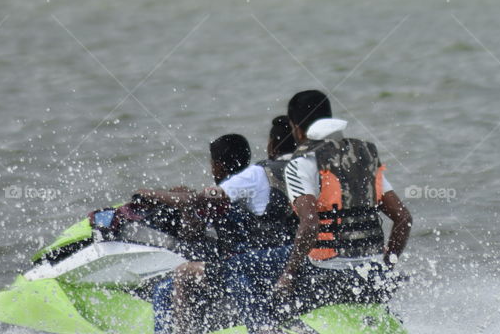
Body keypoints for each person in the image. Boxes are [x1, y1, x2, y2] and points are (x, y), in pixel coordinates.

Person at [273, 90, 412, 317]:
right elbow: (404, 219)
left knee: (268, 282)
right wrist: (387, 266)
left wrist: (288, 275)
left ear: (296, 127)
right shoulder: (364, 158)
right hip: (372, 274)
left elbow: (309, 224)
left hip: (326, 275)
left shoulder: (301, 164)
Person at [140, 133, 295, 334]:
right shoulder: (257, 183)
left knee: (164, 290)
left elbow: (191, 232)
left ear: (218, 165)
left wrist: (151, 194)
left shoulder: (223, 192)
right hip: (266, 263)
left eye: (212, 163)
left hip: (238, 268)